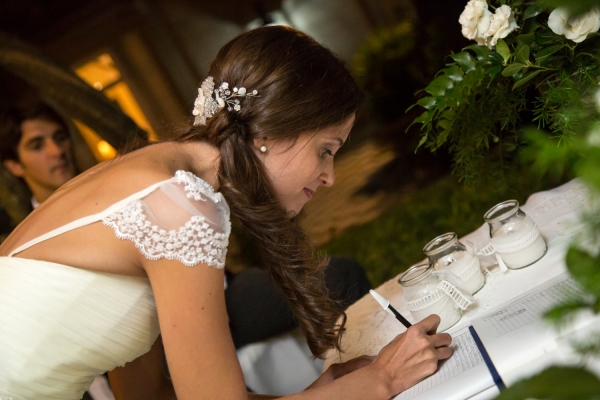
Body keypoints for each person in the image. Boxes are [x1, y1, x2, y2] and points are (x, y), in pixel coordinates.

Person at [0, 26, 452, 400]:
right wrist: (381, 379)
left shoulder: (156, 177)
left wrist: (327, 390)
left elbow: (147, 397)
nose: (330, 176)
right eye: (326, 150)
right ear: (270, 134)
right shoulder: (180, 207)